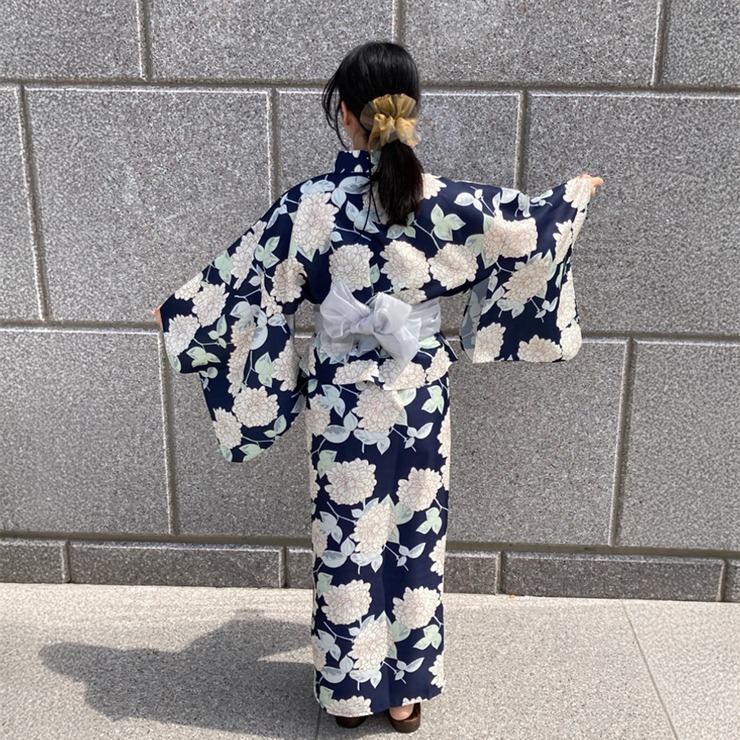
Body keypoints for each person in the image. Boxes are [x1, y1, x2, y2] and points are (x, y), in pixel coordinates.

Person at [151, 40, 602, 733]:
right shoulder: (445, 200)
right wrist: (575, 195)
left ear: (347, 115)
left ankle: (350, 693)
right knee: (415, 538)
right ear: (412, 111)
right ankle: (404, 696)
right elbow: (529, 230)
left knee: (348, 541)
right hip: (419, 394)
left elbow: (248, 284)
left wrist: (181, 314)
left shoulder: (312, 205)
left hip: (343, 403)